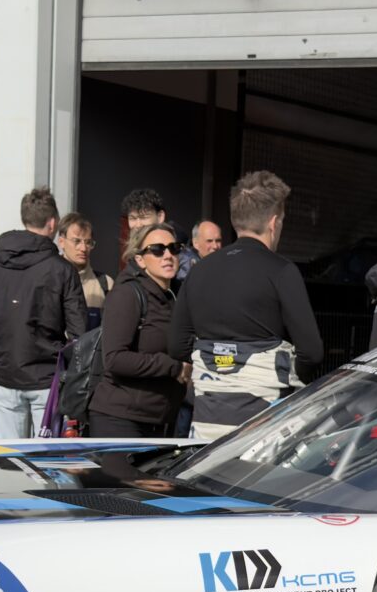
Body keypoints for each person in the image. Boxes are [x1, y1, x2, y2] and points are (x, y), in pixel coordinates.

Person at [166, 170, 322, 437]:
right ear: (274, 223)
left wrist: (221, 360)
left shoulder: (199, 271)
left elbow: (177, 346)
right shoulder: (282, 271)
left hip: (208, 421)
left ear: (235, 220)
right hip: (264, 424)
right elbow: (312, 352)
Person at [0, 186, 87, 440]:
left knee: (9, 457)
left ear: (25, 219)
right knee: (49, 458)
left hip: (7, 376)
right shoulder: (62, 270)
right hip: (47, 380)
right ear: (52, 223)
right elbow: (79, 333)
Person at [89, 220, 187, 437]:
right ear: (140, 259)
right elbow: (114, 358)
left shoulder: (179, 294)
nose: (168, 255)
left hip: (161, 419)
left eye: (174, 248)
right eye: (157, 250)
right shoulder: (127, 294)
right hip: (120, 419)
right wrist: (173, 367)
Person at [59, 212, 112, 330]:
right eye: (76, 241)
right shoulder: (49, 279)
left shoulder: (106, 284)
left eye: (88, 242)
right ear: (61, 242)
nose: (83, 248)